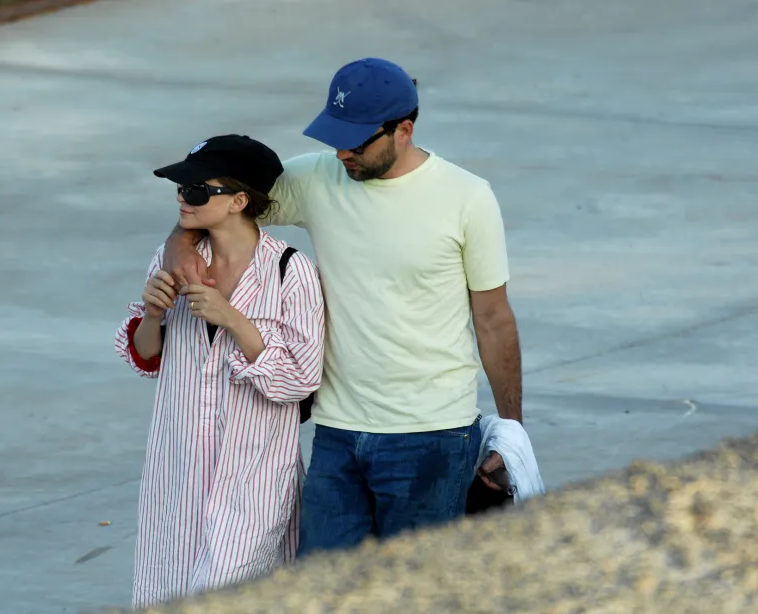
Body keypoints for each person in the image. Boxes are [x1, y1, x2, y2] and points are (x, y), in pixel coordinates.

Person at [160, 58, 523, 556]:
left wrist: (510, 431)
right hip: (337, 431)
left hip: (432, 433)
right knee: (323, 592)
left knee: (418, 593)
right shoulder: (316, 178)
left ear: (404, 130)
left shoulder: (467, 198)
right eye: (335, 137)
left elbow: (494, 318)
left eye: (356, 140)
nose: (342, 151)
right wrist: (179, 250)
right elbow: (213, 204)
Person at [114, 134, 325, 606]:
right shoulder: (175, 260)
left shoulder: (292, 273)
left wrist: (231, 318)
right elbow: (147, 359)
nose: (181, 200)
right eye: (180, 189)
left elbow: (300, 378)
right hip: (178, 474)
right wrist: (151, 315)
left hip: (254, 480)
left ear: (239, 200)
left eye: (194, 190)